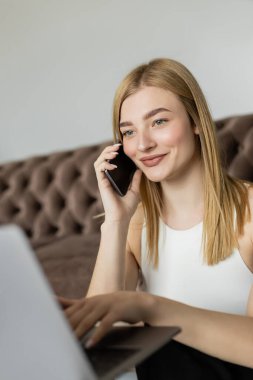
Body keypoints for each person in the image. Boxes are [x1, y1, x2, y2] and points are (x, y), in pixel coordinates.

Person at [59, 58, 253, 379]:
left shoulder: (248, 213)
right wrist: (116, 223)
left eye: (159, 122)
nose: (143, 144)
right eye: (129, 132)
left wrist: (153, 308)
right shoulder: (136, 225)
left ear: (195, 121)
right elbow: (94, 338)